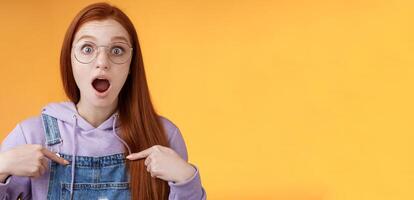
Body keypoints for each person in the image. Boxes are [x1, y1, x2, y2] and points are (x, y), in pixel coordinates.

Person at [0, 2, 206, 200]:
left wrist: (187, 179)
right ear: (69, 58)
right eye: (87, 48)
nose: (102, 62)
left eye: (117, 50)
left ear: (131, 64)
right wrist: (1, 167)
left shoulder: (163, 136)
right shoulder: (32, 135)